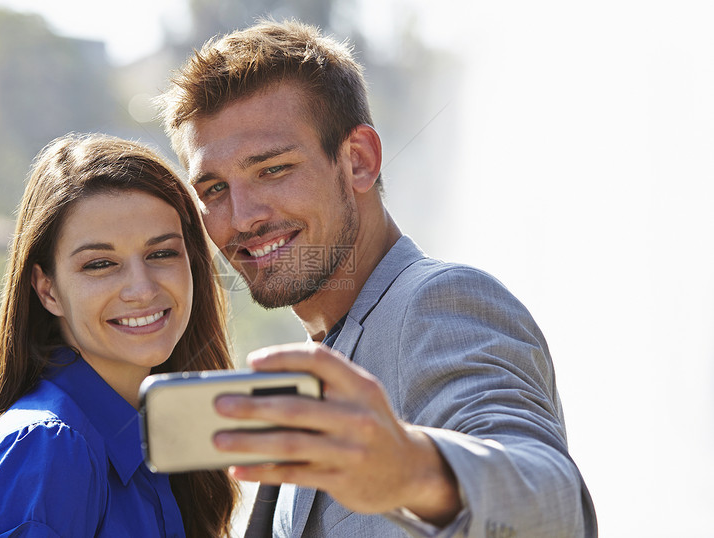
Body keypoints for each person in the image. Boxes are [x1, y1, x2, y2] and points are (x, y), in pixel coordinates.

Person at [157, 19, 597, 537]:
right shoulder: (320, 358)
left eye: (273, 169)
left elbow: (553, 503)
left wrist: (413, 472)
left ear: (359, 162)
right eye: (213, 190)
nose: (243, 215)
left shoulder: (439, 301)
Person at [0, 133, 238, 537]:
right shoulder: (50, 448)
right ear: (48, 290)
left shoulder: (165, 436)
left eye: (162, 253)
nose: (142, 289)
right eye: (100, 264)